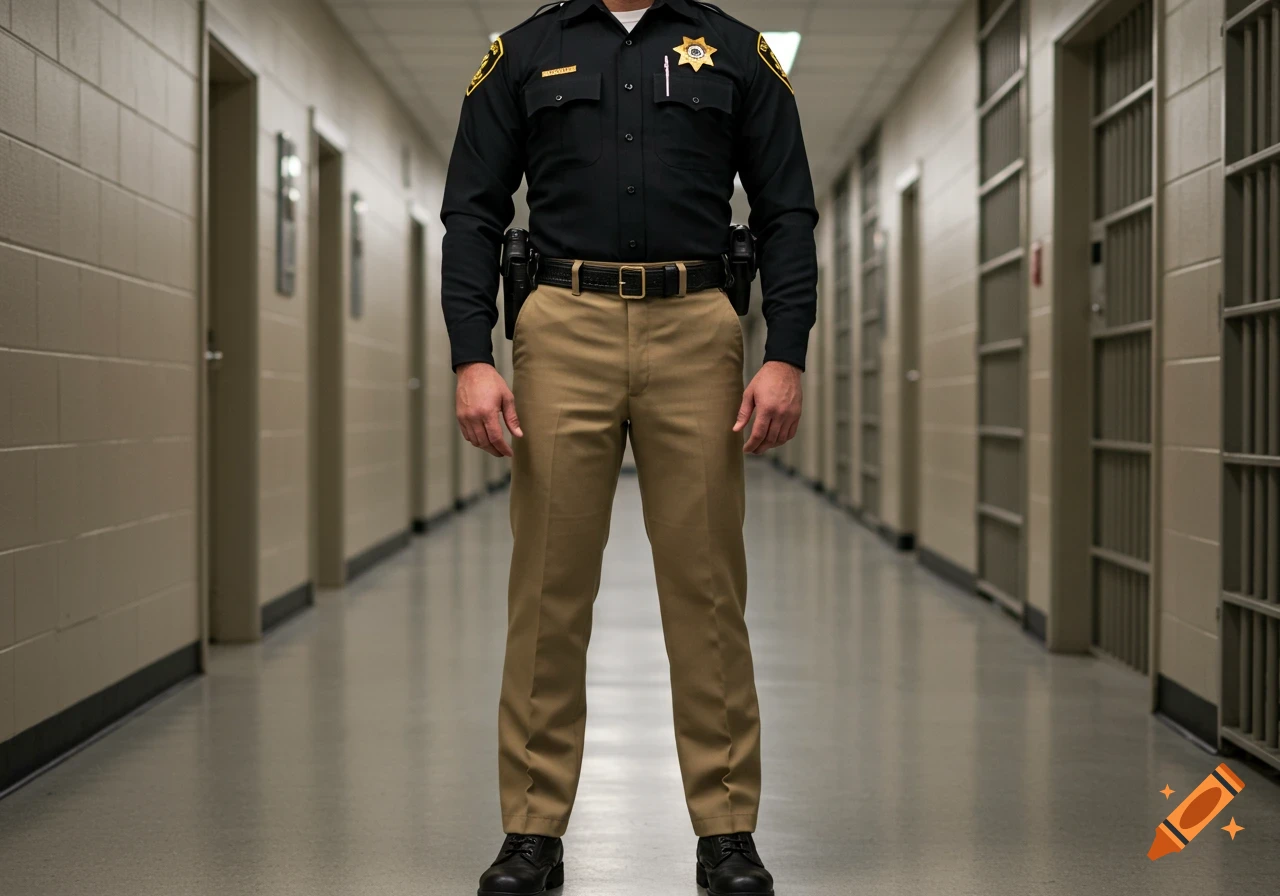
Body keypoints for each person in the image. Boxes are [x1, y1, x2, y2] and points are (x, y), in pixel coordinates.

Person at [440, 0, 817, 893]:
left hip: (697, 326)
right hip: (562, 324)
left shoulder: (734, 51)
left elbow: (786, 213)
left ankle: (726, 831)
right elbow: (473, 213)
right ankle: (532, 832)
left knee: (707, 585)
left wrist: (786, 353)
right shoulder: (525, 51)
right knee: (548, 588)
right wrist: (471, 354)